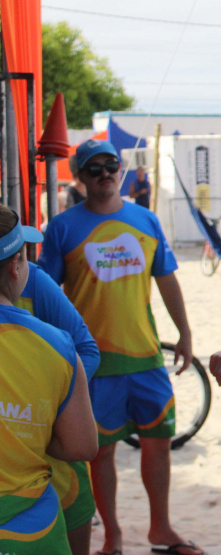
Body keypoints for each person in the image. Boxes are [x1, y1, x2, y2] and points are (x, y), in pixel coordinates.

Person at [38, 139, 202, 555]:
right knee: (101, 453)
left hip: (146, 356)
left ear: (121, 170)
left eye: (111, 165)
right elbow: (44, 290)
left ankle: (160, 529)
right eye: (94, 169)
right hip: (93, 364)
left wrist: (184, 332)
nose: (106, 174)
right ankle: (112, 534)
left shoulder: (146, 219)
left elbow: (166, 278)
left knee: (159, 443)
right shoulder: (62, 228)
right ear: (80, 177)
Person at [0, 205, 98, 554]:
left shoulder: (38, 284)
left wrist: (52, 405)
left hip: (44, 452)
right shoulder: (53, 344)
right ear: (15, 266)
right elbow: (84, 445)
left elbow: (87, 350)